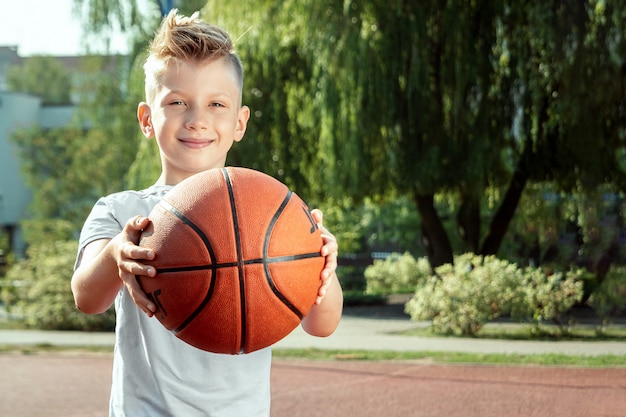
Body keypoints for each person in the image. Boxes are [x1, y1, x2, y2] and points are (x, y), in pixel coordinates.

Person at [71, 9, 343, 417]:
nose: (198, 120)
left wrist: (320, 262)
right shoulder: (121, 212)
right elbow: (86, 298)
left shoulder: (274, 214)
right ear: (147, 119)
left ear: (239, 122)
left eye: (217, 104)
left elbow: (322, 325)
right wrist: (115, 254)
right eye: (177, 102)